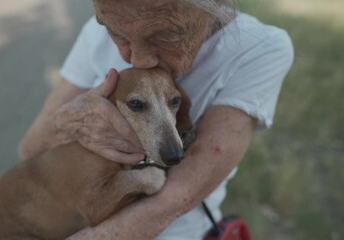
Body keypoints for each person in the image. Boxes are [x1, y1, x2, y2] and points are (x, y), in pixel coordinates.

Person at [18, 0, 294, 239]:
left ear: (214, 8)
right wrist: (71, 126)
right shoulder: (96, 30)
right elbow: (29, 151)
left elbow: (174, 200)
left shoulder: (259, 48)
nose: (137, 60)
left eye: (165, 36)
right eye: (117, 33)